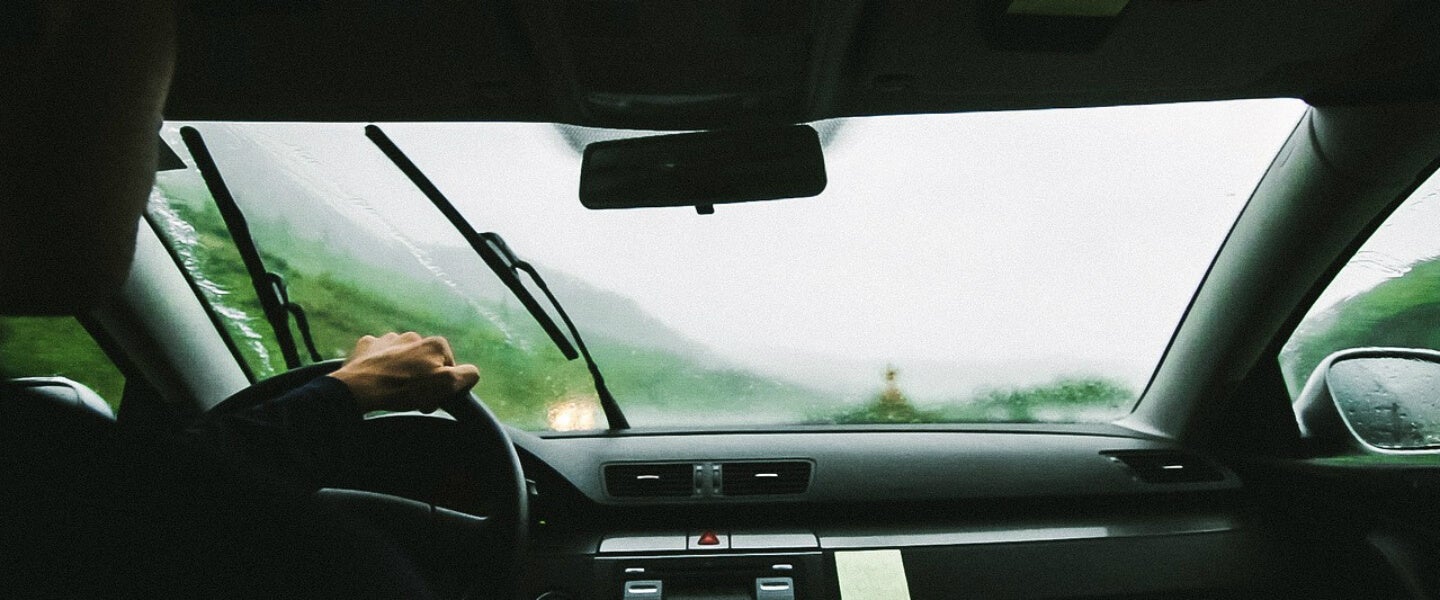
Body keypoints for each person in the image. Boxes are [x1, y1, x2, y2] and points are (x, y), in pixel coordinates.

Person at [1, 3, 485, 597]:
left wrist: (344, 391)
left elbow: (162, 496)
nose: (151, 171)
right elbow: (165, 507)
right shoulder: (321, 562)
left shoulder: (50, 485)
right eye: (150, 126)